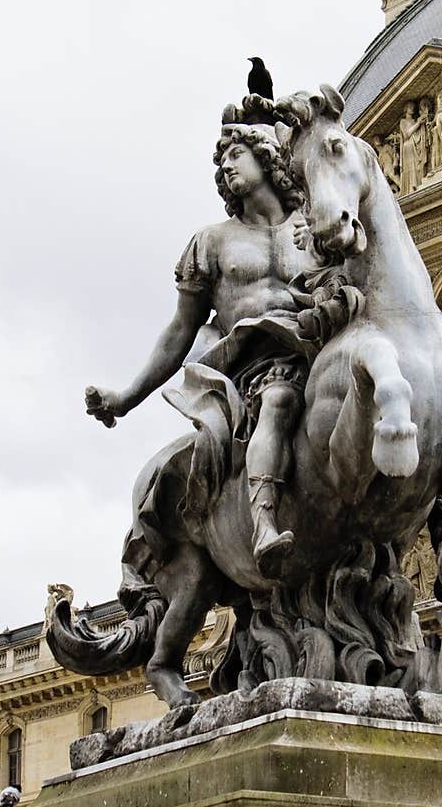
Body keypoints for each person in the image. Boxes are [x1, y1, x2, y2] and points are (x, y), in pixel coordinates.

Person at [85, 116, 320, 575]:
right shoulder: (213, 241)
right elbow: (180, 330)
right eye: (222, 161)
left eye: (237, 155)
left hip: (316, 349)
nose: (227, 167)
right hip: (255, 366)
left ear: (266, 156)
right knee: (277, 400)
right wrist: (127, 398)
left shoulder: (312, 226)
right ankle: (264, 522)